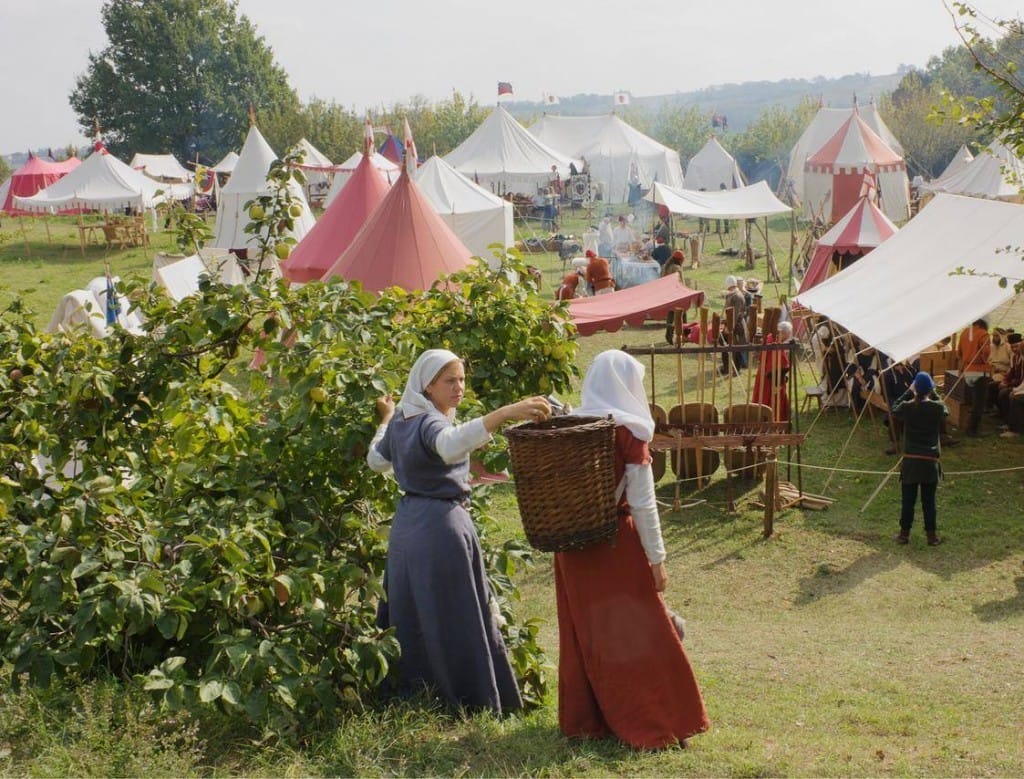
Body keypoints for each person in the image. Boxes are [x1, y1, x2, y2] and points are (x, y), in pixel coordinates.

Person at [367, 349, 552, 711]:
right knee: (455, 613)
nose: (459, 388)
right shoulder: (428, 423)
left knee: (415, 611)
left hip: (406, 528)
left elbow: (376, 459)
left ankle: (421, 693)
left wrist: (386, 419)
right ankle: (467, 696)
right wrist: (505, 413)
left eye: (462, 379)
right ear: (428, 385)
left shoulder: (404, 419)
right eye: (450, 381)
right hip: (439, 528)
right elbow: (449, 446)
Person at [555, 350, 710, 749]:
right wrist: (657, 559)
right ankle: (652, 721)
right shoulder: (629, 431)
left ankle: (588, 719)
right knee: (639, 634)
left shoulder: (570, 426)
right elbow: (642, 503)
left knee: (588, 633)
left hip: (571, 547)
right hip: (612, 544)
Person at [891, 371, 948, 546]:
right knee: (929, 502)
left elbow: (895, 408)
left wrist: (909, 391)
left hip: (911, 462)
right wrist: (933, 392)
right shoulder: (937, 408)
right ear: (930, 389)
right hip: (929, 462)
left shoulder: (908, 406)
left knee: (908, 501)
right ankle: (931, 536)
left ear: (916, 389)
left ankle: (904, 535)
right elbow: (945, 409)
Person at [956, 318, 992, 437]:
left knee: (971, 401)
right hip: (980, 371)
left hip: (968, 370)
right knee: (979, 403)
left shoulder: (964, 332)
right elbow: (986, 353)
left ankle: (969, 426)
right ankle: (973, 430)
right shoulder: (983, 334)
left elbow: (959, 352)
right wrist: (986, 362)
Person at [751, 322, 792, 421]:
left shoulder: (770, 337)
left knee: (763, 398)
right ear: (783, 332)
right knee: (769, 399)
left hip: (765, 373)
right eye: (788, 333)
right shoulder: (774, 341)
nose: (789, 336)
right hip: (771, 378)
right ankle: (771, 420)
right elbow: (780, 363)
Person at [720, 275, 748, 374]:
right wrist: (724, 321)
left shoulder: (737, 296)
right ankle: (727, 367)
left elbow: (735, 314)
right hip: (732, 324)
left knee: (736, 347)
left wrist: (729, 327)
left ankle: (735, 370)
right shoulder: (732, 294)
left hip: (736, 325)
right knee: (725, 345)